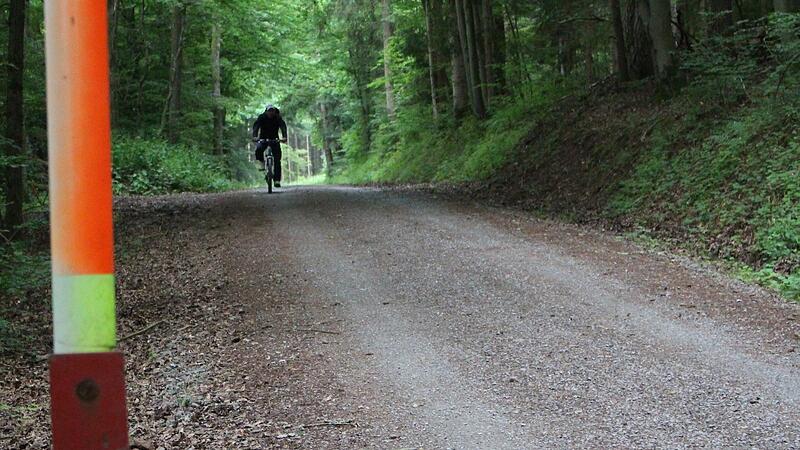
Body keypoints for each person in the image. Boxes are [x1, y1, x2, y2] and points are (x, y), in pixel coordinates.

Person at [252, 105, 288, 187]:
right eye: (269, 111)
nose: (271, 113)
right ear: (266, 111)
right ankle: (261, 162)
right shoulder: (262, 117)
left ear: (275, 112)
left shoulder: (277, 118)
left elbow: (283, 126)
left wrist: (284, 137)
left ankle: (277, 180)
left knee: (277, 159)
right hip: (263, 138)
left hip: (274, 139)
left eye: (272, 111)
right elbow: (256, 126)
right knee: (259, 149)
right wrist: (254, 136)